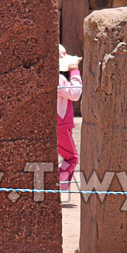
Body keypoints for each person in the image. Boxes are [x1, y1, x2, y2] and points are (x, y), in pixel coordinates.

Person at [57, 44, 82, 192]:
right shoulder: (58, 79)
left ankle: (61, 190)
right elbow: (75, 94)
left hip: (62, 123)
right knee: (72, 158)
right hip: (60, 124)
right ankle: (55, 184)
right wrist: (75, 73)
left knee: (70, 157)